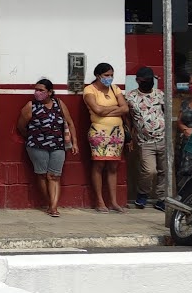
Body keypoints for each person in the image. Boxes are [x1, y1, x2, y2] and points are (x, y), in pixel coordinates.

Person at [18, 77, 77, 217]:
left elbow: (70, 123)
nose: (37, 92)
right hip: (37, 146)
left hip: (58, 145)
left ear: (50, 92)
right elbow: (21, 126)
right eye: (36, 90)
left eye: (41, 90)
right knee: (42, 175)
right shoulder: (31, 106)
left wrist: (74, 142)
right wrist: (33, 136)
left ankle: (54, 207)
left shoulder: (59, 104)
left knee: (54, 176)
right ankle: (50, 203)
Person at [80, 62, 129, 211]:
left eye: (111, 75)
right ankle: (100, 201)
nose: (109, 78)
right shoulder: (89, 90)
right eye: (106, 75)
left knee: (113, 166)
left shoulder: (115, 89)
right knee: (99, 165)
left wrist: (106, 110)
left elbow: (125, 108)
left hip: (117, 133)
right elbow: (97, 110)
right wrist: (115, 108)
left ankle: (113, 202)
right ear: (98, 75)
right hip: (99, 132)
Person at [126, 67, 168, 210]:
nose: (148, 82)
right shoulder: (130, 97)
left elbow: (166, 112)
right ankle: (142, 194)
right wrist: (130, 136)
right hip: (145, 141)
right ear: (138, 80)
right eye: (145, 80)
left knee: (164, 171)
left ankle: (162, 199)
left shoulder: (160, 94)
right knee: (149, 171)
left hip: (163, 138)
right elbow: (127, 118)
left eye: (150, 79)